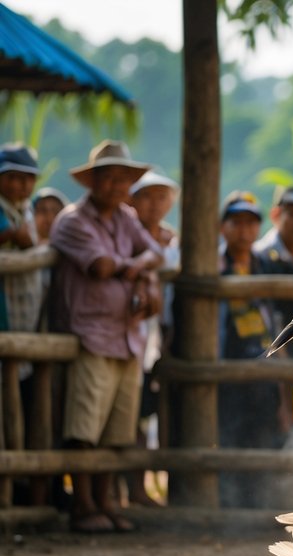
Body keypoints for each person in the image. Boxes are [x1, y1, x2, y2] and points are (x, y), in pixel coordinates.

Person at [48, 140, 164, 533]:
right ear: (94, 181)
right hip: (91, 333)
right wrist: (137, 268)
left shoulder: (126, 218)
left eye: (123, 178)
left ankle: (105, 501)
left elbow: (154, 254)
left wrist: (139, 273)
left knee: (116, 432)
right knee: (84, 429)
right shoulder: (73, 220)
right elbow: (100, 266)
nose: (117, 185)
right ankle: (83, 506)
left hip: (127, 335)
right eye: (110, 177)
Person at [216, 191, 293, 507]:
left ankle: (259, 503)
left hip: (264, 367)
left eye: (251, 224)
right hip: (226, 365)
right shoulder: (213, 265)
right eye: (236, 223)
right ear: (223, 227)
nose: (244, 231)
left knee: (263, 434)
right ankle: (229, 505)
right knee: (228, 435)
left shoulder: (268, 264)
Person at [126, 170, 181, 508]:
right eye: (147, 196)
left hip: (160, 340)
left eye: (161, 197)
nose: (154, 203)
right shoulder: (126, 238)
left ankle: (147, 487)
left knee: (152, 415)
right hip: (131, 337)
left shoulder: (173, 242)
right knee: (133, 418)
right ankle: (133, 488)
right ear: (133, 201)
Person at [0, 144, 43, 505]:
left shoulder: (25, 211)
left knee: (21, 409)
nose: (20, 185)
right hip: (5, 320)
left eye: (27, 179)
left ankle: (21, 492)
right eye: (12, 177)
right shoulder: (6, 216)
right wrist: (13, 237)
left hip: (24, 323)